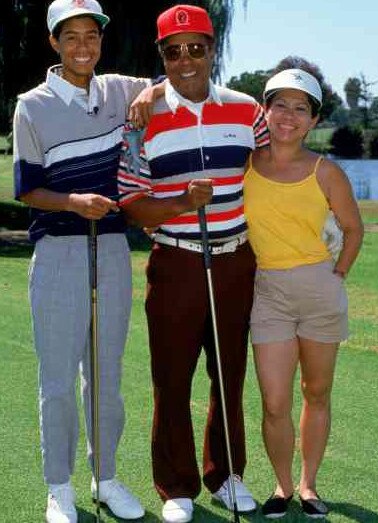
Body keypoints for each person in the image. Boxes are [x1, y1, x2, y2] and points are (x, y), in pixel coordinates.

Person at [117, 5, 269, 522]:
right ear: (162, 57)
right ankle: (176, 486)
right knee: (172, 377)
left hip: (235, 261)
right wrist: (182, 203)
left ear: (212, 50)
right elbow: (133, 203)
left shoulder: (248, 111)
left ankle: (225, 476)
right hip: (176, 261)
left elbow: (277, 169)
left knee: (228, 376)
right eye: (173, 51)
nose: (187, 60)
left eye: (196, 48)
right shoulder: (141, 119)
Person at [12, 0, 162, 521]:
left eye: (91, 36)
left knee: (105, 376)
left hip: (114, 248)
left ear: (100, 41)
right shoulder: (31, 104)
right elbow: (28, 189)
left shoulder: (120, 88)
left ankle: (105, 478)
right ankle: (60, 487)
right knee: (56, 379)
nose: (82, 46)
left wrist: (151, 92)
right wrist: (73, 203)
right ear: (53, 43)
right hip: (57, 250)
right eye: (70, 36)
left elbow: (173, 82)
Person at [243, 65, 364, 519]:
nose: (289, 116)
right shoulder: (246, 164)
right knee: (275, 401)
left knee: (317, 392)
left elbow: (352, 231)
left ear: (313, 120)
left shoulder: (325, 171)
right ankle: (281, 485)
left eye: (301, 109)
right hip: (268, 292)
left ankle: (308, 486)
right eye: (280, 105)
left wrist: (336, 277)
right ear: (265, 110)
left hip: (319, 290)